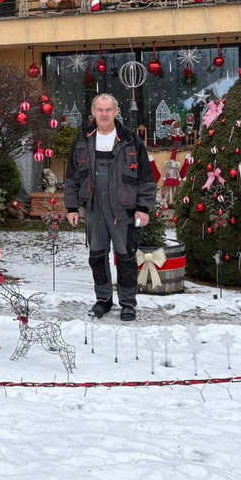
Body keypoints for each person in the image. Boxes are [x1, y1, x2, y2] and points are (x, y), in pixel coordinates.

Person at [63, 93, 157, 321]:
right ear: (93, 113)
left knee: (125, 258)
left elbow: (146, 177)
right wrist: (72, 207)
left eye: (108, 110)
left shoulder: (130, 140)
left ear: (116, 111)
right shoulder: (84, 139)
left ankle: (127, 303)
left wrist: (143, 208)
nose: (104, 114)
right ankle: (103, 300)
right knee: (97, 257)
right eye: (99, 110)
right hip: (94, 207)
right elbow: (72, 175)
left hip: (123, 208)